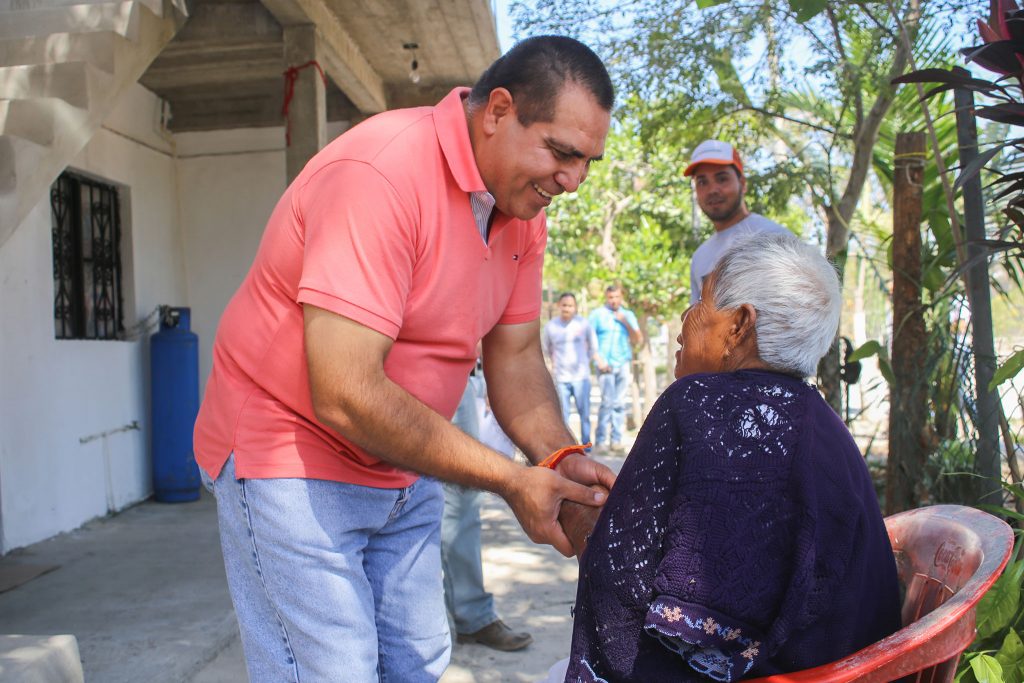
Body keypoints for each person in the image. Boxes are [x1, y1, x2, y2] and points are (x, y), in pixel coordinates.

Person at [192, 36, 617, 682]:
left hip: (401, 464)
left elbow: (519, 356)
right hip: (289, 454)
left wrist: (560, 461)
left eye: (588, 162)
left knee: (416, 660)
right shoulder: (382, 174)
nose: (574, 180)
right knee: (331, 669)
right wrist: (510, 479)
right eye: (561, 153)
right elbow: (345, 391)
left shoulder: (524, 208)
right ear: (498, 111)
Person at [557, 233, 901, 682]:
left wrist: (579, 513)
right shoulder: (827, 425)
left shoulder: (695, 402)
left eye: (700, 304)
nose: (686, 318)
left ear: (739, 324)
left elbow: (620, 586)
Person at [441, 363, 532, 652]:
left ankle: (471, 615)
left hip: (455, 377)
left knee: (463, 499)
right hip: (389, 374)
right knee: (397, 502)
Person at [685, 139, 791, 302]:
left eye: (722, 179)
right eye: (702, 182)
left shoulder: (774, 238)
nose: (712, 190)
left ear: (742, 183)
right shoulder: (700, 257)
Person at [542, 292, 600, 446]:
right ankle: (567, 446)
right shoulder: (551, 327)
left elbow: (593, 347)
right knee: (563, 415)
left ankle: (586, 445)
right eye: (564, 305)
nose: (567, 308)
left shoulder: (583, 324)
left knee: (584, 413)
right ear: (558, 306)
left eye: (570, 305)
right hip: (561, 378)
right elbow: (545, 350)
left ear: (575, 307)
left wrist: (584, 363)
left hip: (581, 377)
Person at [588, 285, 640, 453]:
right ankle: (601, 441)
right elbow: (587, 339)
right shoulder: (597, 315)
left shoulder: (628, 315)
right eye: (611, 297)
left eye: (617, 297)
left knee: (619, 403)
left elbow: (637, 339)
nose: (614, 300)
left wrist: (624, 321)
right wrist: (598, 360)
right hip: (605, 365)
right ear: (606, 297)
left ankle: (616, 441)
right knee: (607, 403)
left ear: (621, 297)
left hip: (623, 363)